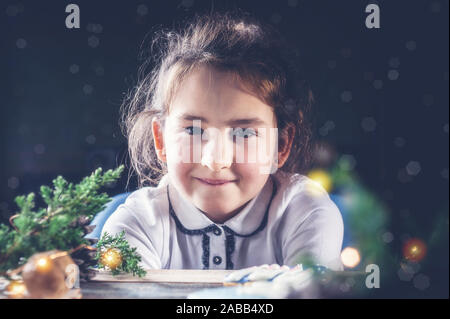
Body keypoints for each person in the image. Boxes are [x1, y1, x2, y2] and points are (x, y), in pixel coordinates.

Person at [102, 11, 344, 271]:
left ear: (280, 146)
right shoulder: (135, 223)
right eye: (194, 131)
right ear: (161, 140)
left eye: (243, 133)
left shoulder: (307, 212)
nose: (216, 161)